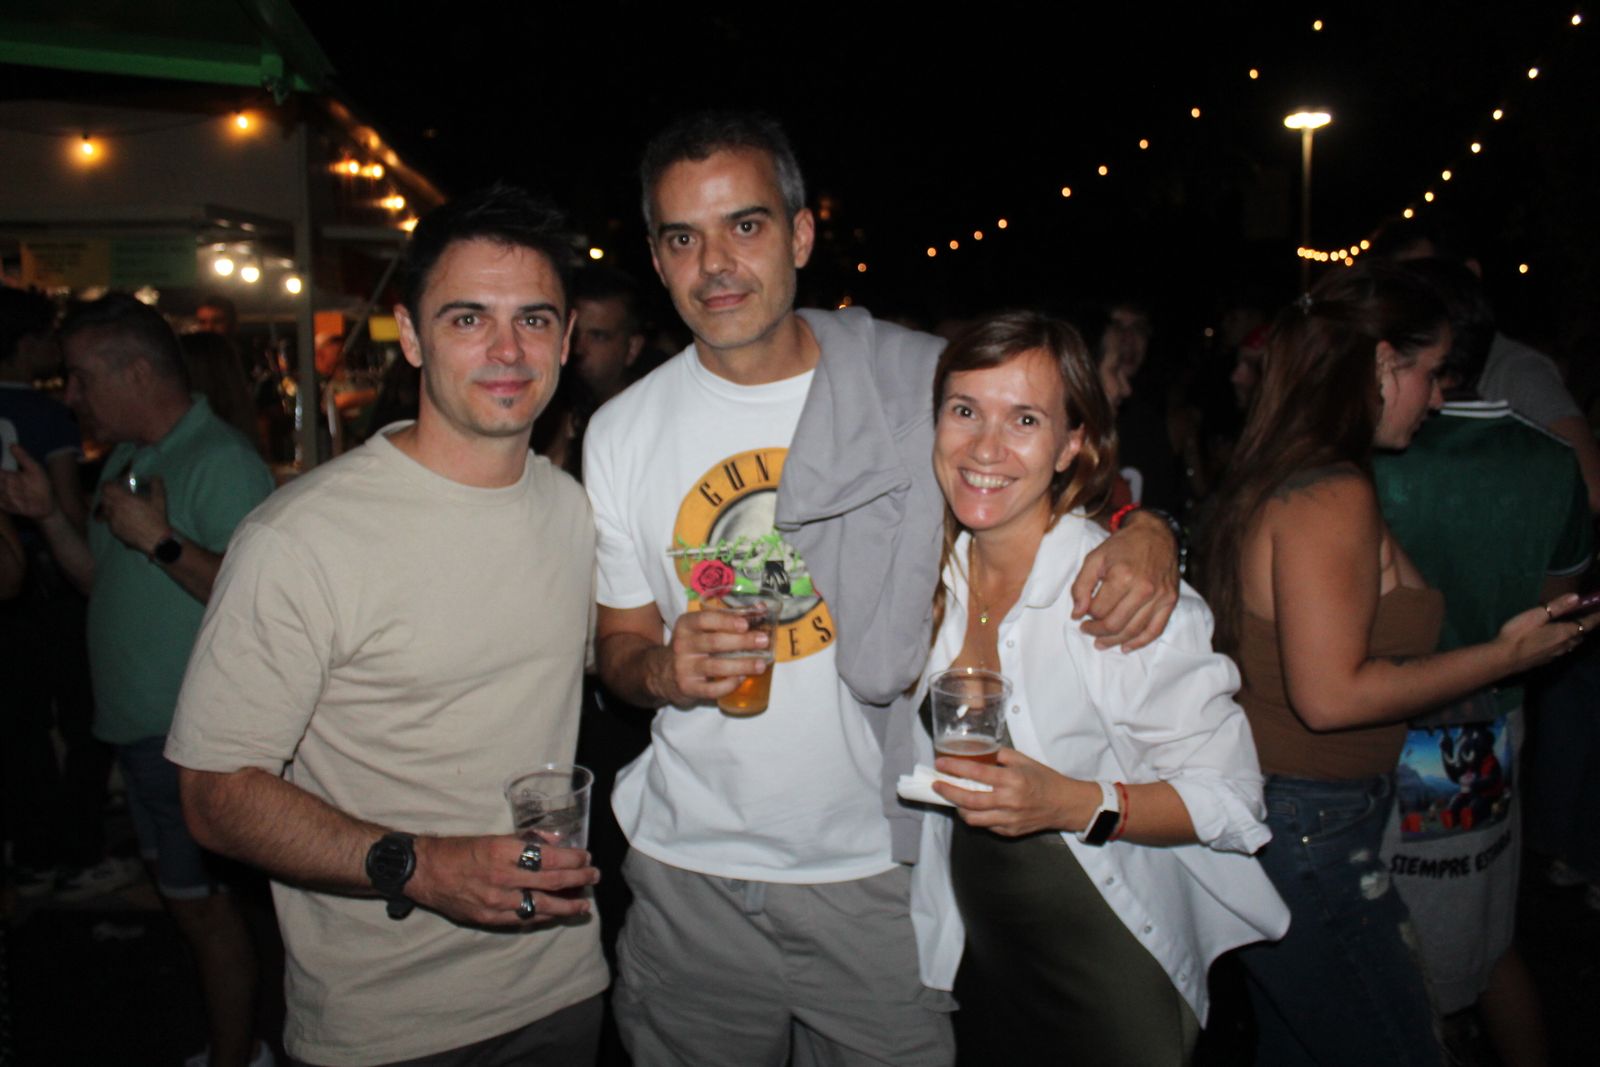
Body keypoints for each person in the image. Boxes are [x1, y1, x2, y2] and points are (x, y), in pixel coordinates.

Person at [585, 110, 1181, 1066]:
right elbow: (617, 648)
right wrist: (660, 666)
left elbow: (1051, 481)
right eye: (682, 237)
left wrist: (1146, 531)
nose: (716, 263)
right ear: (657, 261)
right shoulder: (620, 432)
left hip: (875, 872)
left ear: (802, 234)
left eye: (746, 225)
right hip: (685, 877)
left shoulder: (912, 384)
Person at [168, 184, 608, 1067]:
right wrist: (420, 864)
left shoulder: (575, 513)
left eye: (533, 319)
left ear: (566, 340)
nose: (506, 350)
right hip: (384, 1023)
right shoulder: (300, 538)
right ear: (410, 336)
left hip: (562, 984)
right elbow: (215, 795)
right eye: (467, 319)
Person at [1196, 263, 1590, 1067]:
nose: (1439, 396)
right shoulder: (1330, 490)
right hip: (1314, 825)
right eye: (1431, 371)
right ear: (1381, 364)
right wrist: (1505, 655)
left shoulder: (1288, 470)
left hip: (1302, 816)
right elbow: (1332, 696)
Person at [908, 311, 1288, 1065]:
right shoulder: (929, 568)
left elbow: (1235, 799)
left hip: (1104, 964)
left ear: (1072, 442)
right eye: (964, 410)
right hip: (982, 957)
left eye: (1024, 418)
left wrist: (1073, 802)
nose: (985, 446)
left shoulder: (1116, 595)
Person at [0, 292, 276, 1067]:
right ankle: (232, 1042)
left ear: (134, 368)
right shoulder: (124, 461)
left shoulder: (219, 459)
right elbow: (98, 579)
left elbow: (261, 603)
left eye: (82, 378)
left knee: (209, 913)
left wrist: (160, 540)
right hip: (141, 732)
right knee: (192, 911)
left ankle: (240, 1055)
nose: (70, 396)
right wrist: (50, 520)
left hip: (193, 738)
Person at [1373, 258, 1590, 1066]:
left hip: (1381, 728)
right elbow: (1562, 602)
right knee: (1487, 944)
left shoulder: (1363, 456)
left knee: (1397, 963)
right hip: (1488, 730)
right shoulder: (1546, 460)